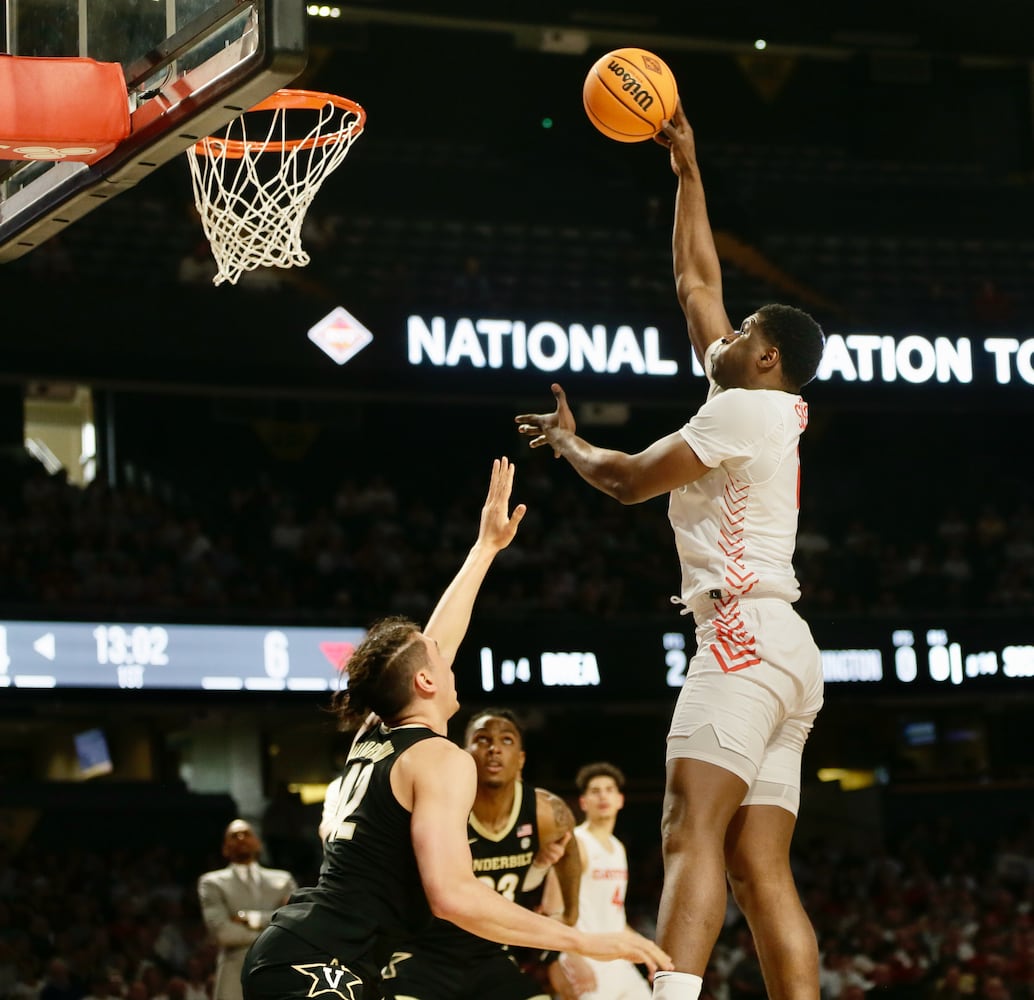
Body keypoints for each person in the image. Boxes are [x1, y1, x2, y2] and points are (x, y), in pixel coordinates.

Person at [514, 101, 827, 1000]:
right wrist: (687, 169)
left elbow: (626, 481)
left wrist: (570, 443)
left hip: (740, 637)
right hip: (787, 648)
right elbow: (696, 285)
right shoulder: (767, 403)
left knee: (689, 834)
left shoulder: (739, 408)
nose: (723, 338)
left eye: (742, 336)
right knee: (758, 869)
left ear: (766, 358)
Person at [241, 458, 672, 1000]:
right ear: (424, 681)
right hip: (321, 963)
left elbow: (432, 639)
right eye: (439, 659)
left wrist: (485, 547)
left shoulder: (379, 730)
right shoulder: (440, 758)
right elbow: (453, 897)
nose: (449, 658)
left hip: (313, 952)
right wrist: (582, 940)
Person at [381, 706, 595, 1000]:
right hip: (424, 953)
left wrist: (570, 915)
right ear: (464, 755)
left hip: (491, 954)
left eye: (506, 740)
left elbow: (569, 842)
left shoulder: (544, 811)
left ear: (520, 760)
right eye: (482, 740)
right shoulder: (438, 805)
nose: (494, 748)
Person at [556, 762, 651, 1000]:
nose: (603, 796)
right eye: (595, 791)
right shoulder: (576, 843)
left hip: (617, 961)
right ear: (583, 802)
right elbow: (552, 910)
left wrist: (650, 951)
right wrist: (574, 959)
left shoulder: (618, 848)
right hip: (585, 959)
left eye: (609, 789)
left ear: (620, 799)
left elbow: (615, 918)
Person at [198, 819, 298, 1000]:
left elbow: (294, 924)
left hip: (278, 971)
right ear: (225, 848)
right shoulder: (211, 882)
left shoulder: (283, 880)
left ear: (258, 843)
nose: (241, 838)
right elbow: (223, 933)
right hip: (233, 977)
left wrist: (251, 919)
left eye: (246, 833)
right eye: (234, 836)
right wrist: (274, 931)